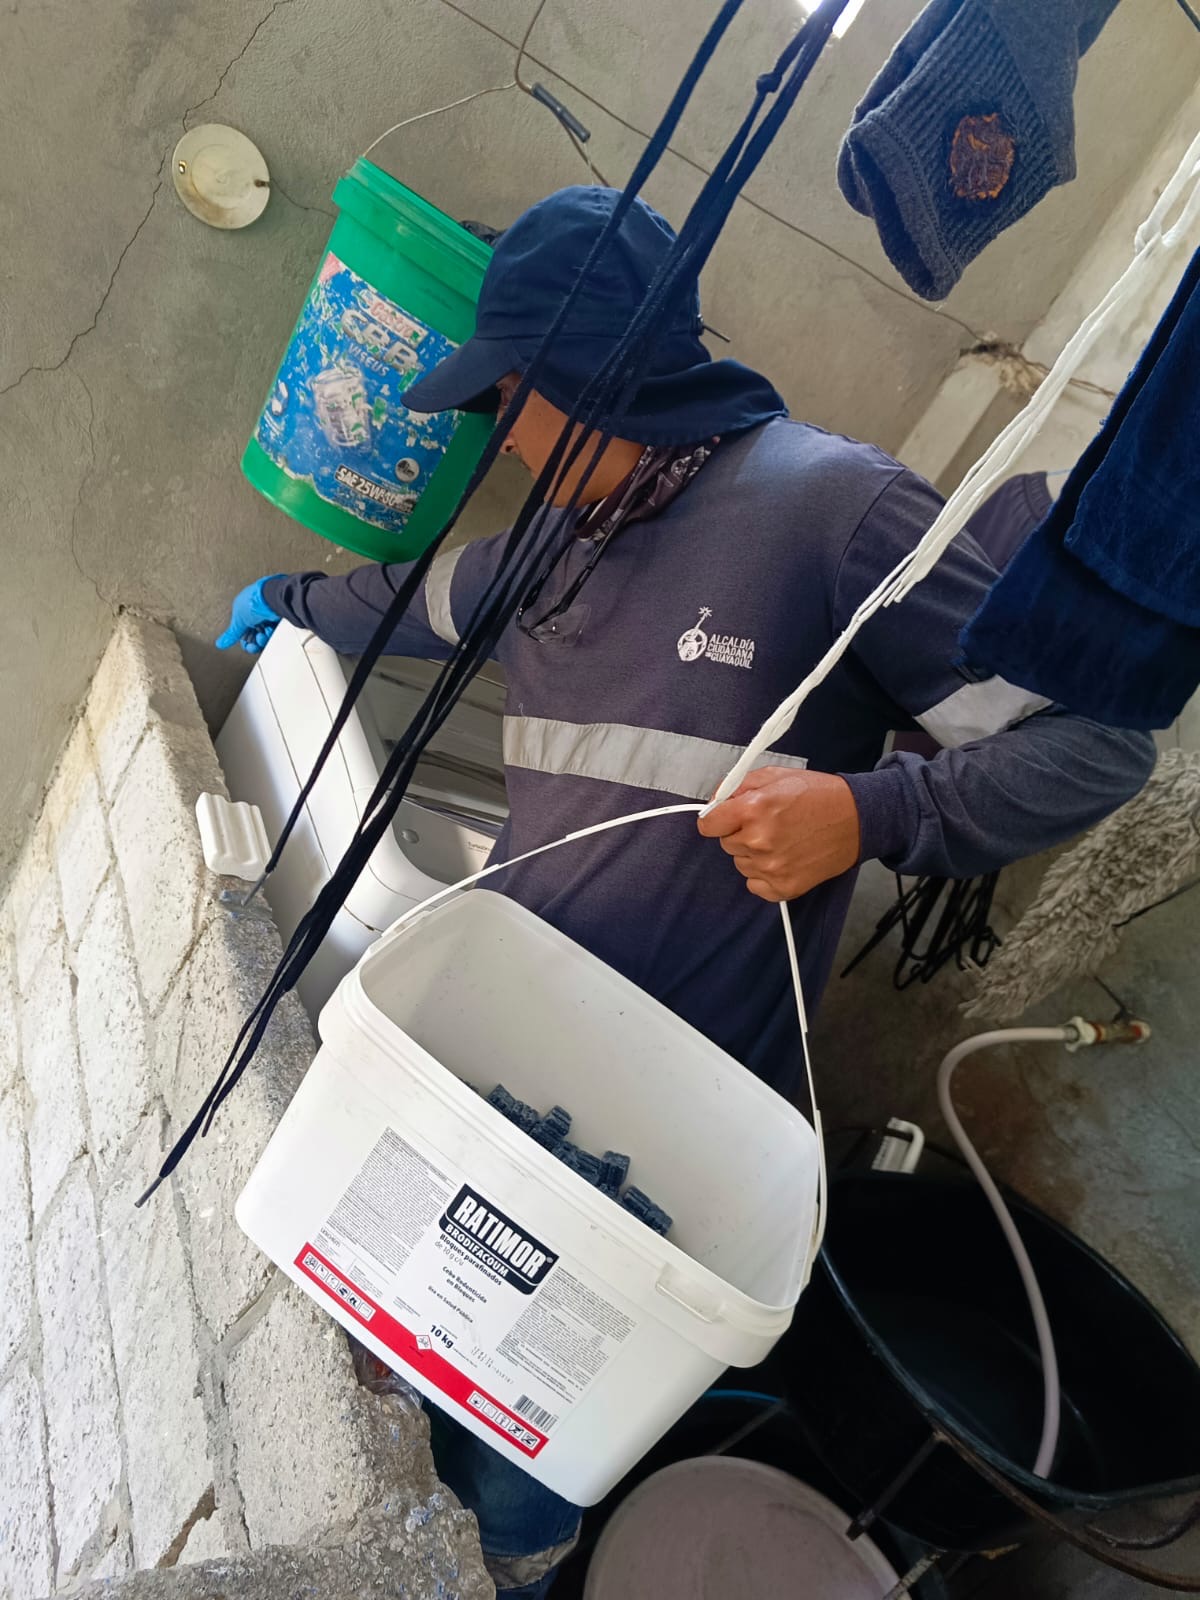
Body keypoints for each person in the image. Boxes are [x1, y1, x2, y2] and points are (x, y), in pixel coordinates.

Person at [218, 186, 1154, 1597]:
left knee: (526, 1466)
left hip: (663, 1152)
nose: (502, 434)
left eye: (513, 398)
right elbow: (412, 606)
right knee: (421, 1370)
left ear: (591, 376)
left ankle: (522, 1570)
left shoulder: (827, 509)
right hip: (507, 1087)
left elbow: (1097, 742)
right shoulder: (556, 542)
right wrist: (285, 601)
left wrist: (870, 814)